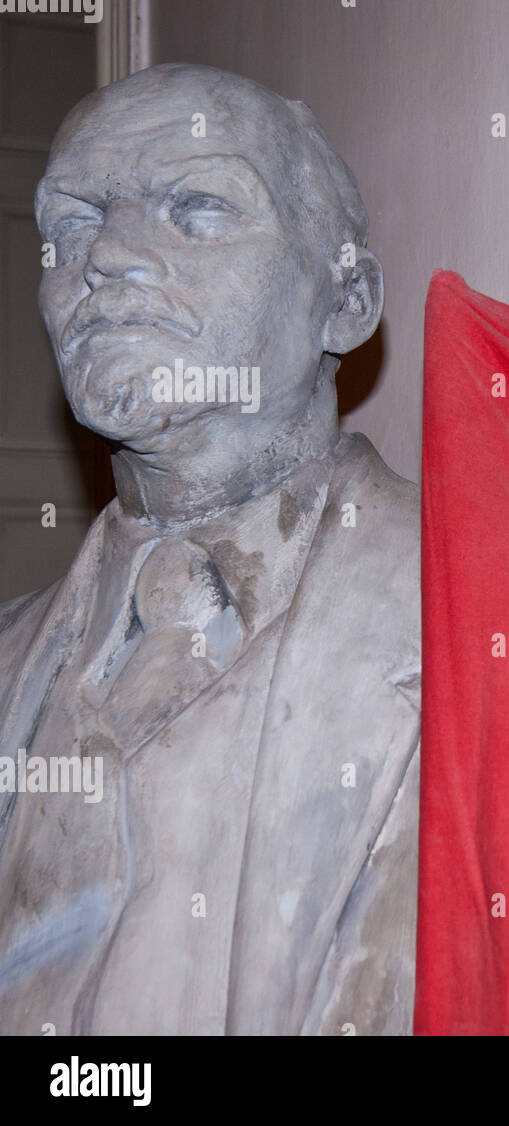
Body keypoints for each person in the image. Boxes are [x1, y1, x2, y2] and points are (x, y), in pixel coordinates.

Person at [0, 63, 419, 1034]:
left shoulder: (483, 623)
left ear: (345, 300)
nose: (103, 255)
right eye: (68, 226)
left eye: (195, 208)